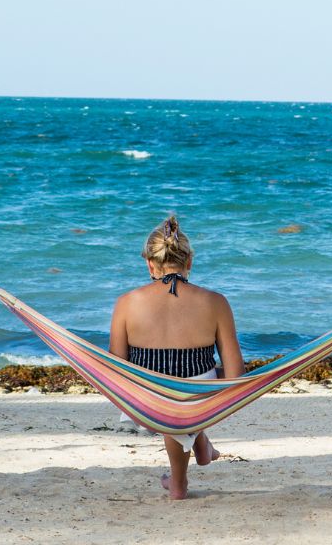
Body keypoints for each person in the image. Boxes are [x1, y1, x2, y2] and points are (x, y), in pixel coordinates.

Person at [108, 214, 247, 500]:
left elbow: (115, 370)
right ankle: (198, 447)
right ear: (189, 262)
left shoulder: (126, 303)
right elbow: (235, 372)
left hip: (148, 399)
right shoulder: (216, 302)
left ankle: (179, 484)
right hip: (199, 397)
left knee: (170, 394)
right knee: (187, 390)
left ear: (149, 263)